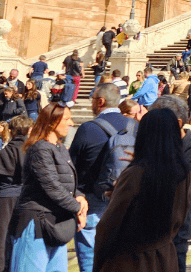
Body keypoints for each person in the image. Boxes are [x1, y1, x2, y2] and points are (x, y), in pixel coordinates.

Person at [93, 108, 191, 272]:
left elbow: (108, 226)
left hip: (130, 260)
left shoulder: (136, 174)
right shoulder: (183, 173)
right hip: (165, 258)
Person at [9, 102, 89, 272]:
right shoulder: (40, 149)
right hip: (36, 222)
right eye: (66, 119)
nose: (71, 123)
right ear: (52, 122)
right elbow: (51, 186)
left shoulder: (60, 148)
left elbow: (67, 182)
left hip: (57, 224)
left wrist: (80, 196)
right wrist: (78, 209)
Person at [67, 83, 129, 272]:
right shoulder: (134, 125)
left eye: (92, 99)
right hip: (125, 197)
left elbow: (72, 165)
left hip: (92, 198)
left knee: (89, 258)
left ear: (100, 101)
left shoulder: (88, 128)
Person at [0, 115, 32, 272]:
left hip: (5, 197)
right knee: (22, 237)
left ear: (11, 131)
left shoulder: (4, 152)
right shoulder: (33, 150)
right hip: (26, 197)